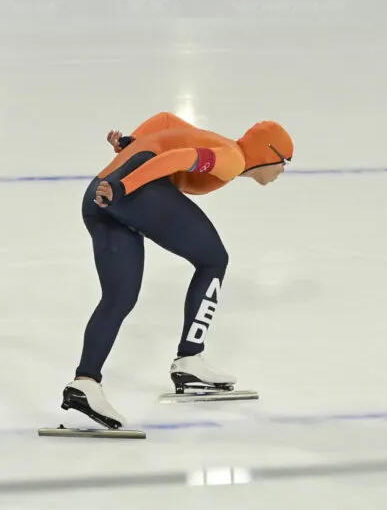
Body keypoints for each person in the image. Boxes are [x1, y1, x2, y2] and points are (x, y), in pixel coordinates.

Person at [60, 112, 294, 429]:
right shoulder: (232, 159)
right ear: (268, 154)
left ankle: (85, 383)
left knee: (119, 298)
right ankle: (190, 359)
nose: (282, 170)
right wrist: (124, 186)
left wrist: (132, 142)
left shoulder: (217, 143)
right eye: (284, 161)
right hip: (125, 191)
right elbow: (178, 158)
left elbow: (166, 122)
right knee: (213, 260)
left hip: (96, 197)